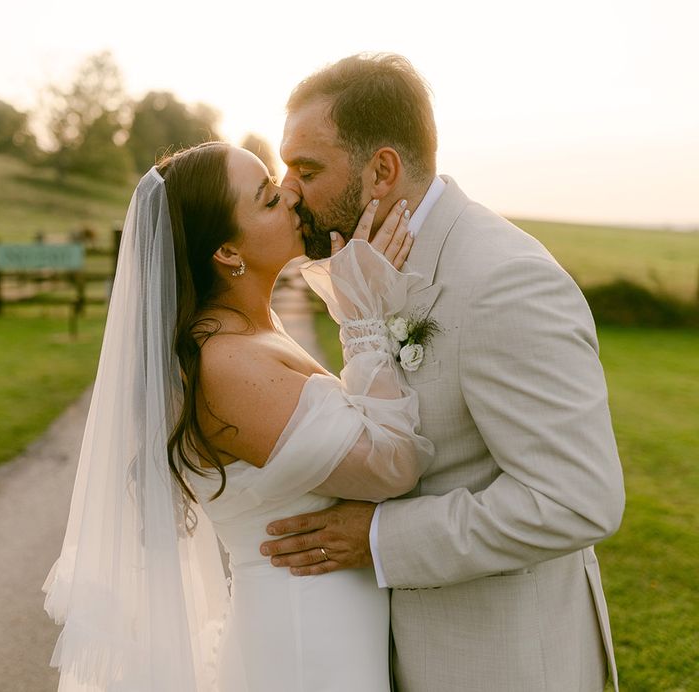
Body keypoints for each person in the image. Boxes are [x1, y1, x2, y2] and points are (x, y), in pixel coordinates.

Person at [261, 53, 626, 692]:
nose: (288, 189)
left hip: (501, 662)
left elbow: (575, 500)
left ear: (381, 170)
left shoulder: (504, 281)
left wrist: (378, 537)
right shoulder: (370, 265)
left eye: (307, 169)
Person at [42, 140, 436, 692]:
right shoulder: (226, 363)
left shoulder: (252, 333)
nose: (293, 195)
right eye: (270, 198)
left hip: (326, 630)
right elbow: (391, 466)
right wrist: (363, 320)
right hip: (305, 648)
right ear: (228, 253)